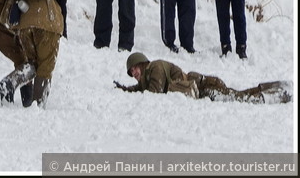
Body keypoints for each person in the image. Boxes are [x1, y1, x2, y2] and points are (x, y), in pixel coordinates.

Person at [117, 52, 291, 104]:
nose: (134, 74)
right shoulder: (146, 77)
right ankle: (277, 87)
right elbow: (140, 89)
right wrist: (125, 89)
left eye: (134, 69)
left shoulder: (155, 67)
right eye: (131, 72)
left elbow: (154, 91)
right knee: (238, 95)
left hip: (204, 87)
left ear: (141, 64)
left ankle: (277, 94)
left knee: (239, 98)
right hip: (201, 87)